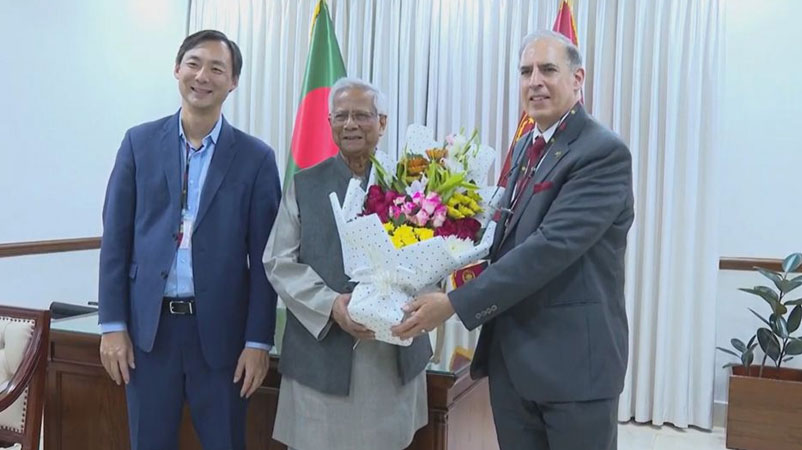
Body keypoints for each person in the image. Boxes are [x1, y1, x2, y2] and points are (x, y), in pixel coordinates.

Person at [393, 30, 634, 450]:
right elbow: (501, 237)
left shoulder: (601, 152)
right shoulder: (526, 146)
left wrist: (454, 303)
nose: (535, 81)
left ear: (578, 79)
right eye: (526, 72)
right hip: (514, 362)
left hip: (573, 369)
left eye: (548, 70)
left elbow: (548, 248)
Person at [98, 29, 281, 450]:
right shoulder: (138, 143)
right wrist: (112, 325)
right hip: (149, 335)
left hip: (221, 339)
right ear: (177, 69)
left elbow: (265, 260)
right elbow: (116, 241)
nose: (202, 76)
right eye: (194, 64)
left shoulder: (256, 158)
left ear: (233, 82)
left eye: (217, 68)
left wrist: (258, 341)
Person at [263, 77, 431, 450]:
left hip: (391, 356)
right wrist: (331, 305)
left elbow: (435, 256)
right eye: (341, 116)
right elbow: (278, 260)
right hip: (320, 357)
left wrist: (423, 304)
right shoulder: (305, 184)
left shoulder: (412, 184)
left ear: (382, 122)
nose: (350, 124)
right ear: (330, 123)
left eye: (361, 115)